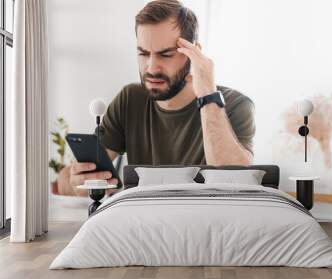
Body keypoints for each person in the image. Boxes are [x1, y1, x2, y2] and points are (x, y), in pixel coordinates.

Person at [57, 0, 256, 196]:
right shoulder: (130, 99)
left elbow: (235, 183)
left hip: (208, 223)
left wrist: (208, 96)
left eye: (166, 54)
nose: (151, 68)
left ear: (194, 54)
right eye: (143, 54)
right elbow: (67, 182)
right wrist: (76, 182)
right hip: (142, 224)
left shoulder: (235, 105)